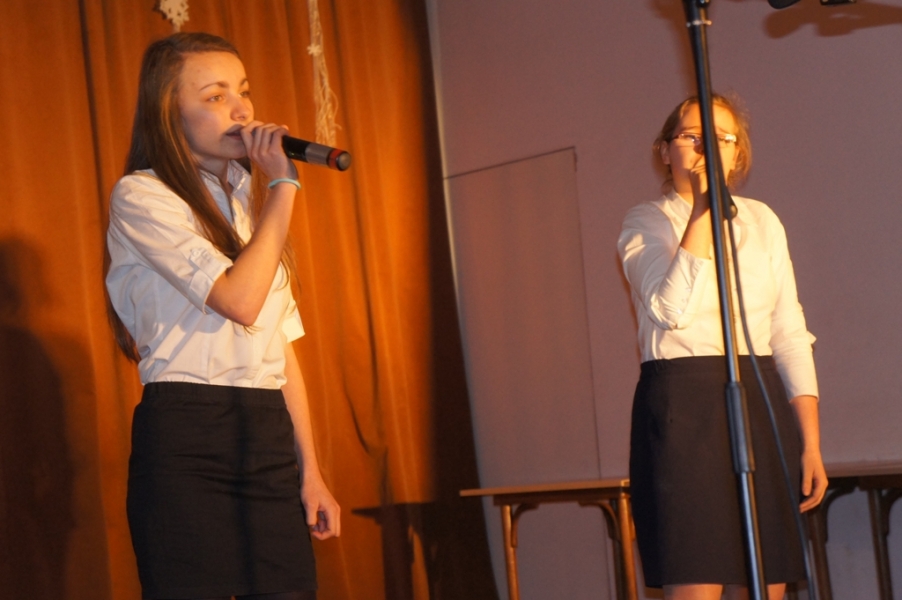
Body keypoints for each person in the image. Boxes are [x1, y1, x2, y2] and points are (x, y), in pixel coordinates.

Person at [105, 32, 339, 600]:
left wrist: (310, 471)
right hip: (187, 437)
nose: (241, 110)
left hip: (267, 437)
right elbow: (239, 301)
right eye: (215, 96)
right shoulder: (143, 197)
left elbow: (279, 350)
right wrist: (283, 182)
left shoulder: (245, 203)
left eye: (244, 91)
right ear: (169, 113)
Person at [617, 93, 828, 600]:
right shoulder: (645, 222)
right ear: (665, 150)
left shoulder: (762, 222)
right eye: (692, 136)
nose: (706, 148)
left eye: (721, 138)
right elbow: (670, 310)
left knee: (766, 579)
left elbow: (788, 331)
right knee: (697, 574)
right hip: (683, 406)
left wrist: (811, 443)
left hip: (758, 398)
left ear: (737, 154)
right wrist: (702, 211)